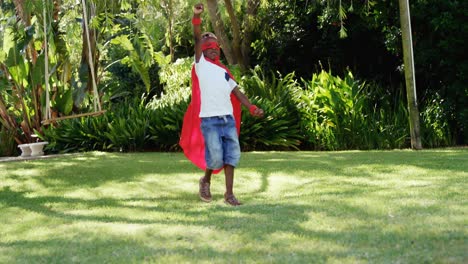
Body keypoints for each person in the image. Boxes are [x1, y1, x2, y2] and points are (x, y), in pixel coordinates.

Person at [179, 3, 264, 206]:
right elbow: (197, 38)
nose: (212, 50)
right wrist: (196, 18)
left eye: (215, 47)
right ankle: (205, 180)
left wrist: (251, 107)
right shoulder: (201, 66)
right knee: (216, 157)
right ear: (203, 51)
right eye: (207, 48)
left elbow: (237, 92)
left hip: (228, 119)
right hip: (209, 120)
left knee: (231, 156)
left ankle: (229, 194)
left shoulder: (224, 71)